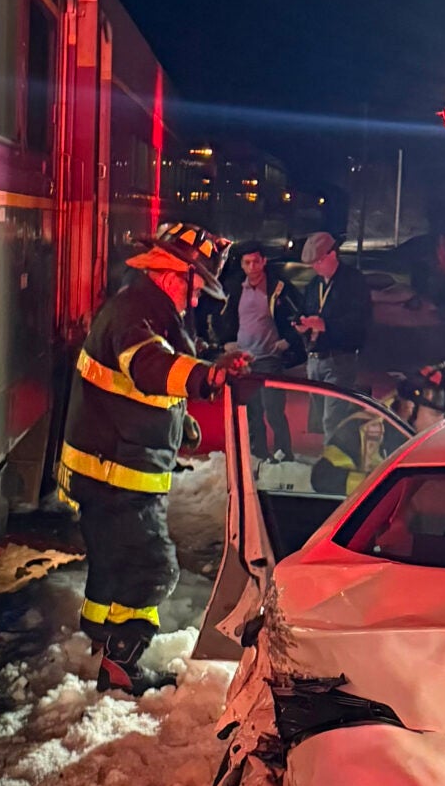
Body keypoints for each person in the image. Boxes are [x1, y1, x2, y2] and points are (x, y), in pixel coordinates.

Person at [60, 221, 245, 691]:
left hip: (107, 468)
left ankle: (101, 634)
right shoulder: (135, 315)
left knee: (112, 562)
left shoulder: (144, 308)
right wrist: (210, 378)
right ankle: (122, 666)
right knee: (151, 567)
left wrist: (180, 422)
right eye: (197, 285)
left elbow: (136, 386)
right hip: (118, 474)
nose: (198, 298)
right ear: (171, 273)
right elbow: (150, 368)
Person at [294, 228, 372, 473]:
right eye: (312, 264)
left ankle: (332, 469)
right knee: (320, 415)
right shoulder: (314, 284)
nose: (316, 267)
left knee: (333, 417)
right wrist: (301, 325)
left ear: (332, 254)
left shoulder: (353, 281)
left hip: (340, 358)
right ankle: (332, 457)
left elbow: (360, 321)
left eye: (318, 261)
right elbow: (304, 310)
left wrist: (326, 325)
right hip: (315, 358)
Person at [216, 241, 301, 462]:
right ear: (242, 265)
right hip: (244, 359)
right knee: (252, 412)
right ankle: (258, 454)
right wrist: (226, 342)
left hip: (269, 358)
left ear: (264, 261)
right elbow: (223, 316)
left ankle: (285, 455)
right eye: (247, 262)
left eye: (256, 261)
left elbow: (298, 314)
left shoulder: (278, 287)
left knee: (273, 410)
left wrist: (287, 341)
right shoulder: (235, 287)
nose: (252, 266)